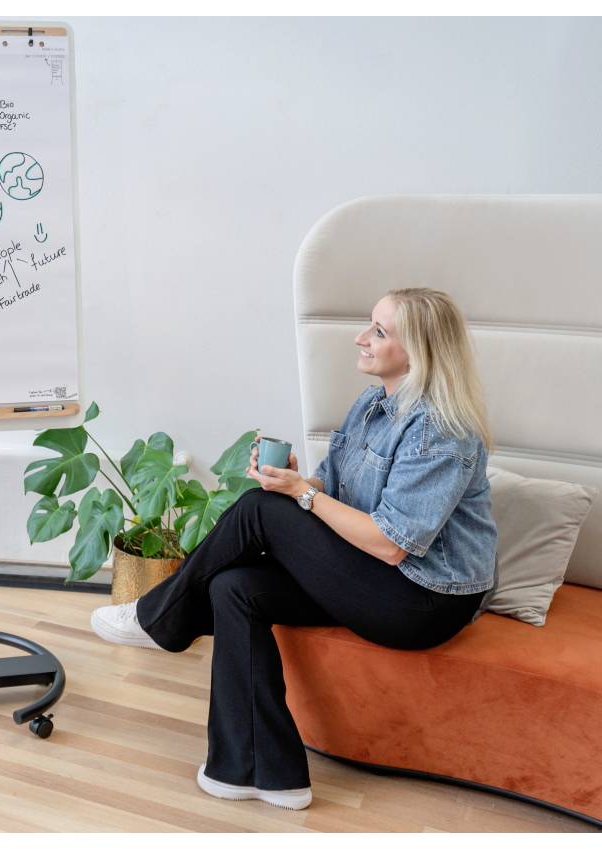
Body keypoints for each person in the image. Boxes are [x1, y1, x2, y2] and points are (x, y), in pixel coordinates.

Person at [90, 288, 497, 811]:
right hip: (376, 575)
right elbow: (330, 489)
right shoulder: (373, 405)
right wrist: (291, 480)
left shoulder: (441, 429)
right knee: (234, 587)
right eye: (368, 325)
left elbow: (393, 544)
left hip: (425, 598)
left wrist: (295, 496)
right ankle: (259, 772)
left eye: (379, 331)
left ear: (418, 350)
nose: (361, 338)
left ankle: (159, 616)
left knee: (261, 511)